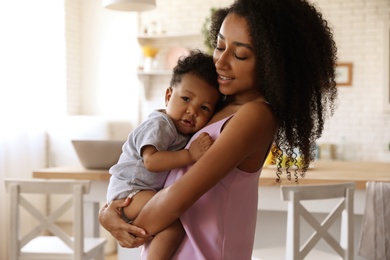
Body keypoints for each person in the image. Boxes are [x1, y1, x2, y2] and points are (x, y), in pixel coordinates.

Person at [99, 0, 338, 259]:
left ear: (274, 63)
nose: (221, 62)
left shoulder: (255, 116)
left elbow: (176, 199)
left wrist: (119, 218)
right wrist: (110, 211)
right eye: (220, 46)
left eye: (240, 55)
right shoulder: (214, 106)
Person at [106, 50, 221, 259]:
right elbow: (151, 161)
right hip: (130, 192)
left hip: (139, 192)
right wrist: (190, 155)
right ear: (168, 96)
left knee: (171, 229)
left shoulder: (182, 131)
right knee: (174, 223)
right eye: (186, 98)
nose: (192, 111)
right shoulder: (160, 124)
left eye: (204, 108)